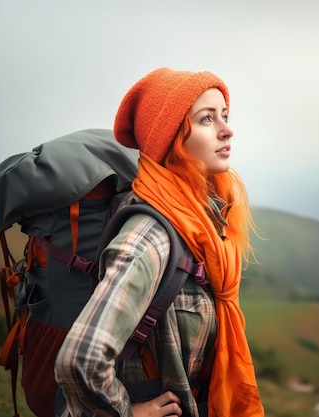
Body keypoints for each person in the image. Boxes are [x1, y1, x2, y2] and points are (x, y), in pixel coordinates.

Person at [54, 67, 264, 417]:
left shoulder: (204, 222)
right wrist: (129, 412)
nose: (228, 130)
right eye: (206, 119)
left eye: (224, 115)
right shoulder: (150, 237)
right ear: (171, 139)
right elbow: (80, 360)